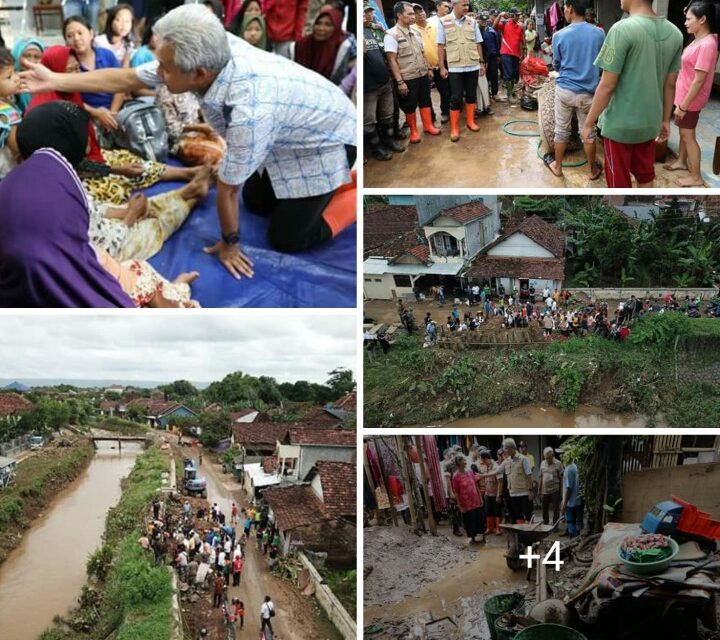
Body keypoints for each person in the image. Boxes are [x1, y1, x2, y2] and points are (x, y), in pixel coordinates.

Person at [22, 5, 356, 278]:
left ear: (197, 74)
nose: (158, 74)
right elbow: (129, 77)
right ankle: (325, 192)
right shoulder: (207, 51)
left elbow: (227, 189)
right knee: (256, 203)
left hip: (326, 144)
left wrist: (230, 243)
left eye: (165, 68)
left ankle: (353, 190)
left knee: (287, 238)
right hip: (285, 136)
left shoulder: (250, 109)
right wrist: (55, 78)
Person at [581, 0, 683, 188]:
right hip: (650, 124)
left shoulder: (622, 30)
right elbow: (670, 84)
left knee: (618, 184)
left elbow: (607, 85)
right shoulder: (675, 34)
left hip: (619, 126)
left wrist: (588, 123)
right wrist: (664, 120)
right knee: (646, 176)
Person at [545, 0, 604, 180]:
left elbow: (557, 64)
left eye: (564, 8)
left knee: (561, 130)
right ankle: (592, 170)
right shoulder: (599, 33)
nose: (564, 11)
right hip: (589, 92)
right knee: (588, 132)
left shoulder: (559, 35)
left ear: (570, 9)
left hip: (565, 90)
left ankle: (558, 166)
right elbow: (603, 63)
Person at [664, 1, 719, 187]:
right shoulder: (697, 38)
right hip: (685, 96)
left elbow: (699, 80)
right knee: (683, 133)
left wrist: (683, 106)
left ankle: (696, 177)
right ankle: (681, 161)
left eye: (689, 19)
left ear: (702, 19)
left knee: (689, 136)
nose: (685, 22)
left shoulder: (707, 44)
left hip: (691, 100)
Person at [385, 2, 440, 144]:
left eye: (413, 13)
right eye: (409, 13)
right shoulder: (392, 35)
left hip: (422, 74)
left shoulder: (415, 32)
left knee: (425, 100)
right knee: (410, 105)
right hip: (407, 77)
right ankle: (414, 132)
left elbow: (422, 52)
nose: (413, 16)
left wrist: (428, 68)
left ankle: (428, 126)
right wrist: (400, 82)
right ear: (399, 15)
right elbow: (392, 61)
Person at [437, 0, 485, 142]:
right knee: (456, 98)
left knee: (471, 95)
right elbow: (440, 45)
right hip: (455, 66)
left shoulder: (472, 22)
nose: (466, 7)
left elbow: (478, 43)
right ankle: (454, 128)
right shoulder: (443, 22)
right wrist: (442, 66)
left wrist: (481, 62)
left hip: (472, 64)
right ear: (454, 5)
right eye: (463, 5)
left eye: (467, 5)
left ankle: (470, 121)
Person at [63, 15, 123, 129]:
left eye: (80, 33)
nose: (76, 38)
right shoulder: (68, 64)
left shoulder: (107, 55)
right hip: (85, 114)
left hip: (114, 110)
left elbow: (121, 86)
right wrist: (97, 113)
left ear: (91, 33)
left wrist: (112, 114)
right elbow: (70, 99)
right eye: (70, 36)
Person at [363, 4, 403, 160]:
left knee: (387, 115)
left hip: (384, 82)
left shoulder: (371, 31)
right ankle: (376, 148)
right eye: (364, 14)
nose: (368, 16)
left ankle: (389, 141)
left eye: (369, 13)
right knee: (369, 121)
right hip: (368, 87)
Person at [293, 5, 356, 87]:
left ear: (336, 28)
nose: (321, 28)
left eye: (328, 25)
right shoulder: (302, 45)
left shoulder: (343, 48)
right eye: (318, 23)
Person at [413, 3, 449, 125]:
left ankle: (445, 112)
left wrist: (443, 63)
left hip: (440, 65)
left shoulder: (435, 26)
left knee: (445, 91)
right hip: (424, 68)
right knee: (425, 95)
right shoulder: (412, 30)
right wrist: (428, 67)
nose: (420, 14)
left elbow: (442, 45)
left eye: (421, 11)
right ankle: (431, 118)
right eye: (416, 12)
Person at [450, 455, 485, 544]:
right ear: (458, 463)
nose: (465, 461)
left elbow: (476, 485)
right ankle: (473, 538)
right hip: (466, 504)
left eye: (465, 460)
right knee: (470, 520)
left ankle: (483, 536)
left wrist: (480, 498)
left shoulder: (470, 472)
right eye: (463, 460)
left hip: (476, 501)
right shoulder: (456, 476)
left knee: (479, 518)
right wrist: (460, 505)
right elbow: (456, 492)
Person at [493, 8, 524, 104]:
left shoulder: (520, 27)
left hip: (516, 54)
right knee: (509, 74)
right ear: (512, 15)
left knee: (515, 74)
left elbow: (520, 41)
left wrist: (522, 54)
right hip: (506, 53)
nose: (518, 17)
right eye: (517, 15)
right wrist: (500, 15)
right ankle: (509, 94)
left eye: (519, 15)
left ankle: (512, 91)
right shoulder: (505, 24)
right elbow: (494, 26)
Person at [11, 38, 45, 114]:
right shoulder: (10, 84)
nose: (31, 61)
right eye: (26, 56)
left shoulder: (48, 83)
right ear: (17, 56)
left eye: (37, 57)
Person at [538, 447, 563, 525]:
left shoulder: (558, 463)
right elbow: (541, 477)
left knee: (556, 509)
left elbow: (561, 478)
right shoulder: (542, 463)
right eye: (546, 458)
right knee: (544, 508)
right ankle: (546, 523)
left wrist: (561, 492)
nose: (547, 460)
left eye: (549, 458)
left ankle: (555, 525)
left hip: (555, 489)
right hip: (544, 490)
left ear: (552, 455)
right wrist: (539, 489)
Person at [478, 13, 499, 100]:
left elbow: (497, 43)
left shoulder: (491, 30)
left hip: (492, 57)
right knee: (484, 77)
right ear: (479, 21)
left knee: (494, 76)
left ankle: (495, 94)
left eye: (485, 21)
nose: (483, 22)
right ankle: (485, 95)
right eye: (482, 21)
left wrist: (498, 55)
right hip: (482, 58)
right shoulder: (477, 31)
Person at [561, 453, 582, 537]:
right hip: (576, 500)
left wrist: (564, 504)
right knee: (573, 521)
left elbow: (569, 488)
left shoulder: (568, 470)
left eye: (562, 455)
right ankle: (573, 535)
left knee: (570, 521)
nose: (561, 457)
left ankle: (573, 538)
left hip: (571, 501)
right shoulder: (574, 466)